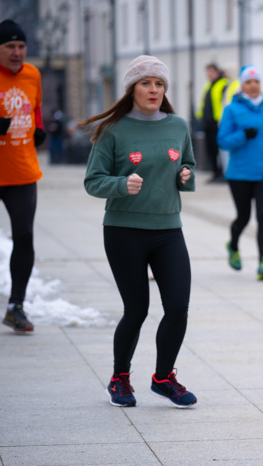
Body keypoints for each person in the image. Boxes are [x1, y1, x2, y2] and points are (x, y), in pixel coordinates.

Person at [81, 55, 197, 409]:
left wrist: (185, 176)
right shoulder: (113, 129)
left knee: (177, 307)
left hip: (167, 229)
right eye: (146, 83)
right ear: (132, 88)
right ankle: (120, 379)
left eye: (159, 83)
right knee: (137, 309)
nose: (154, 90)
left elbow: (188, 162)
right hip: (124, 231)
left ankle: (163, 378)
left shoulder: (177, 125)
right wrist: (120, 184)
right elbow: (93, 181)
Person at [0, 19, 45, 334]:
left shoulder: (33, 75)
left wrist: (37, 129)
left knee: (24, 237)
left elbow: (34, 107)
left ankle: (16, 306)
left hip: (22, 172)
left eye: (21, 46)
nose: (17, 52)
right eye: (10, 46)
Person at [217, 65, 263, 281]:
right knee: (244, 217)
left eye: (256, 81)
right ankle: (233, 245)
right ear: (242, 85)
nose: (253, 85)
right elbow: (223, 141)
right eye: (248, 82)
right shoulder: (232, 109)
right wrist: (242, 135)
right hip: (240, 174)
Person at [196, 63, 227, 183]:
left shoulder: (223, 84)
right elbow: (204, 103)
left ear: (217, 72)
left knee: (220, 150)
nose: (209, 75)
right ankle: (215, 173)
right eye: (207, 72)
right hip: (208, 123)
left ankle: (222, 174)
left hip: (218, 123)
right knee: (211, 150)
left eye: (211, 72)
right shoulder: (208, 86)